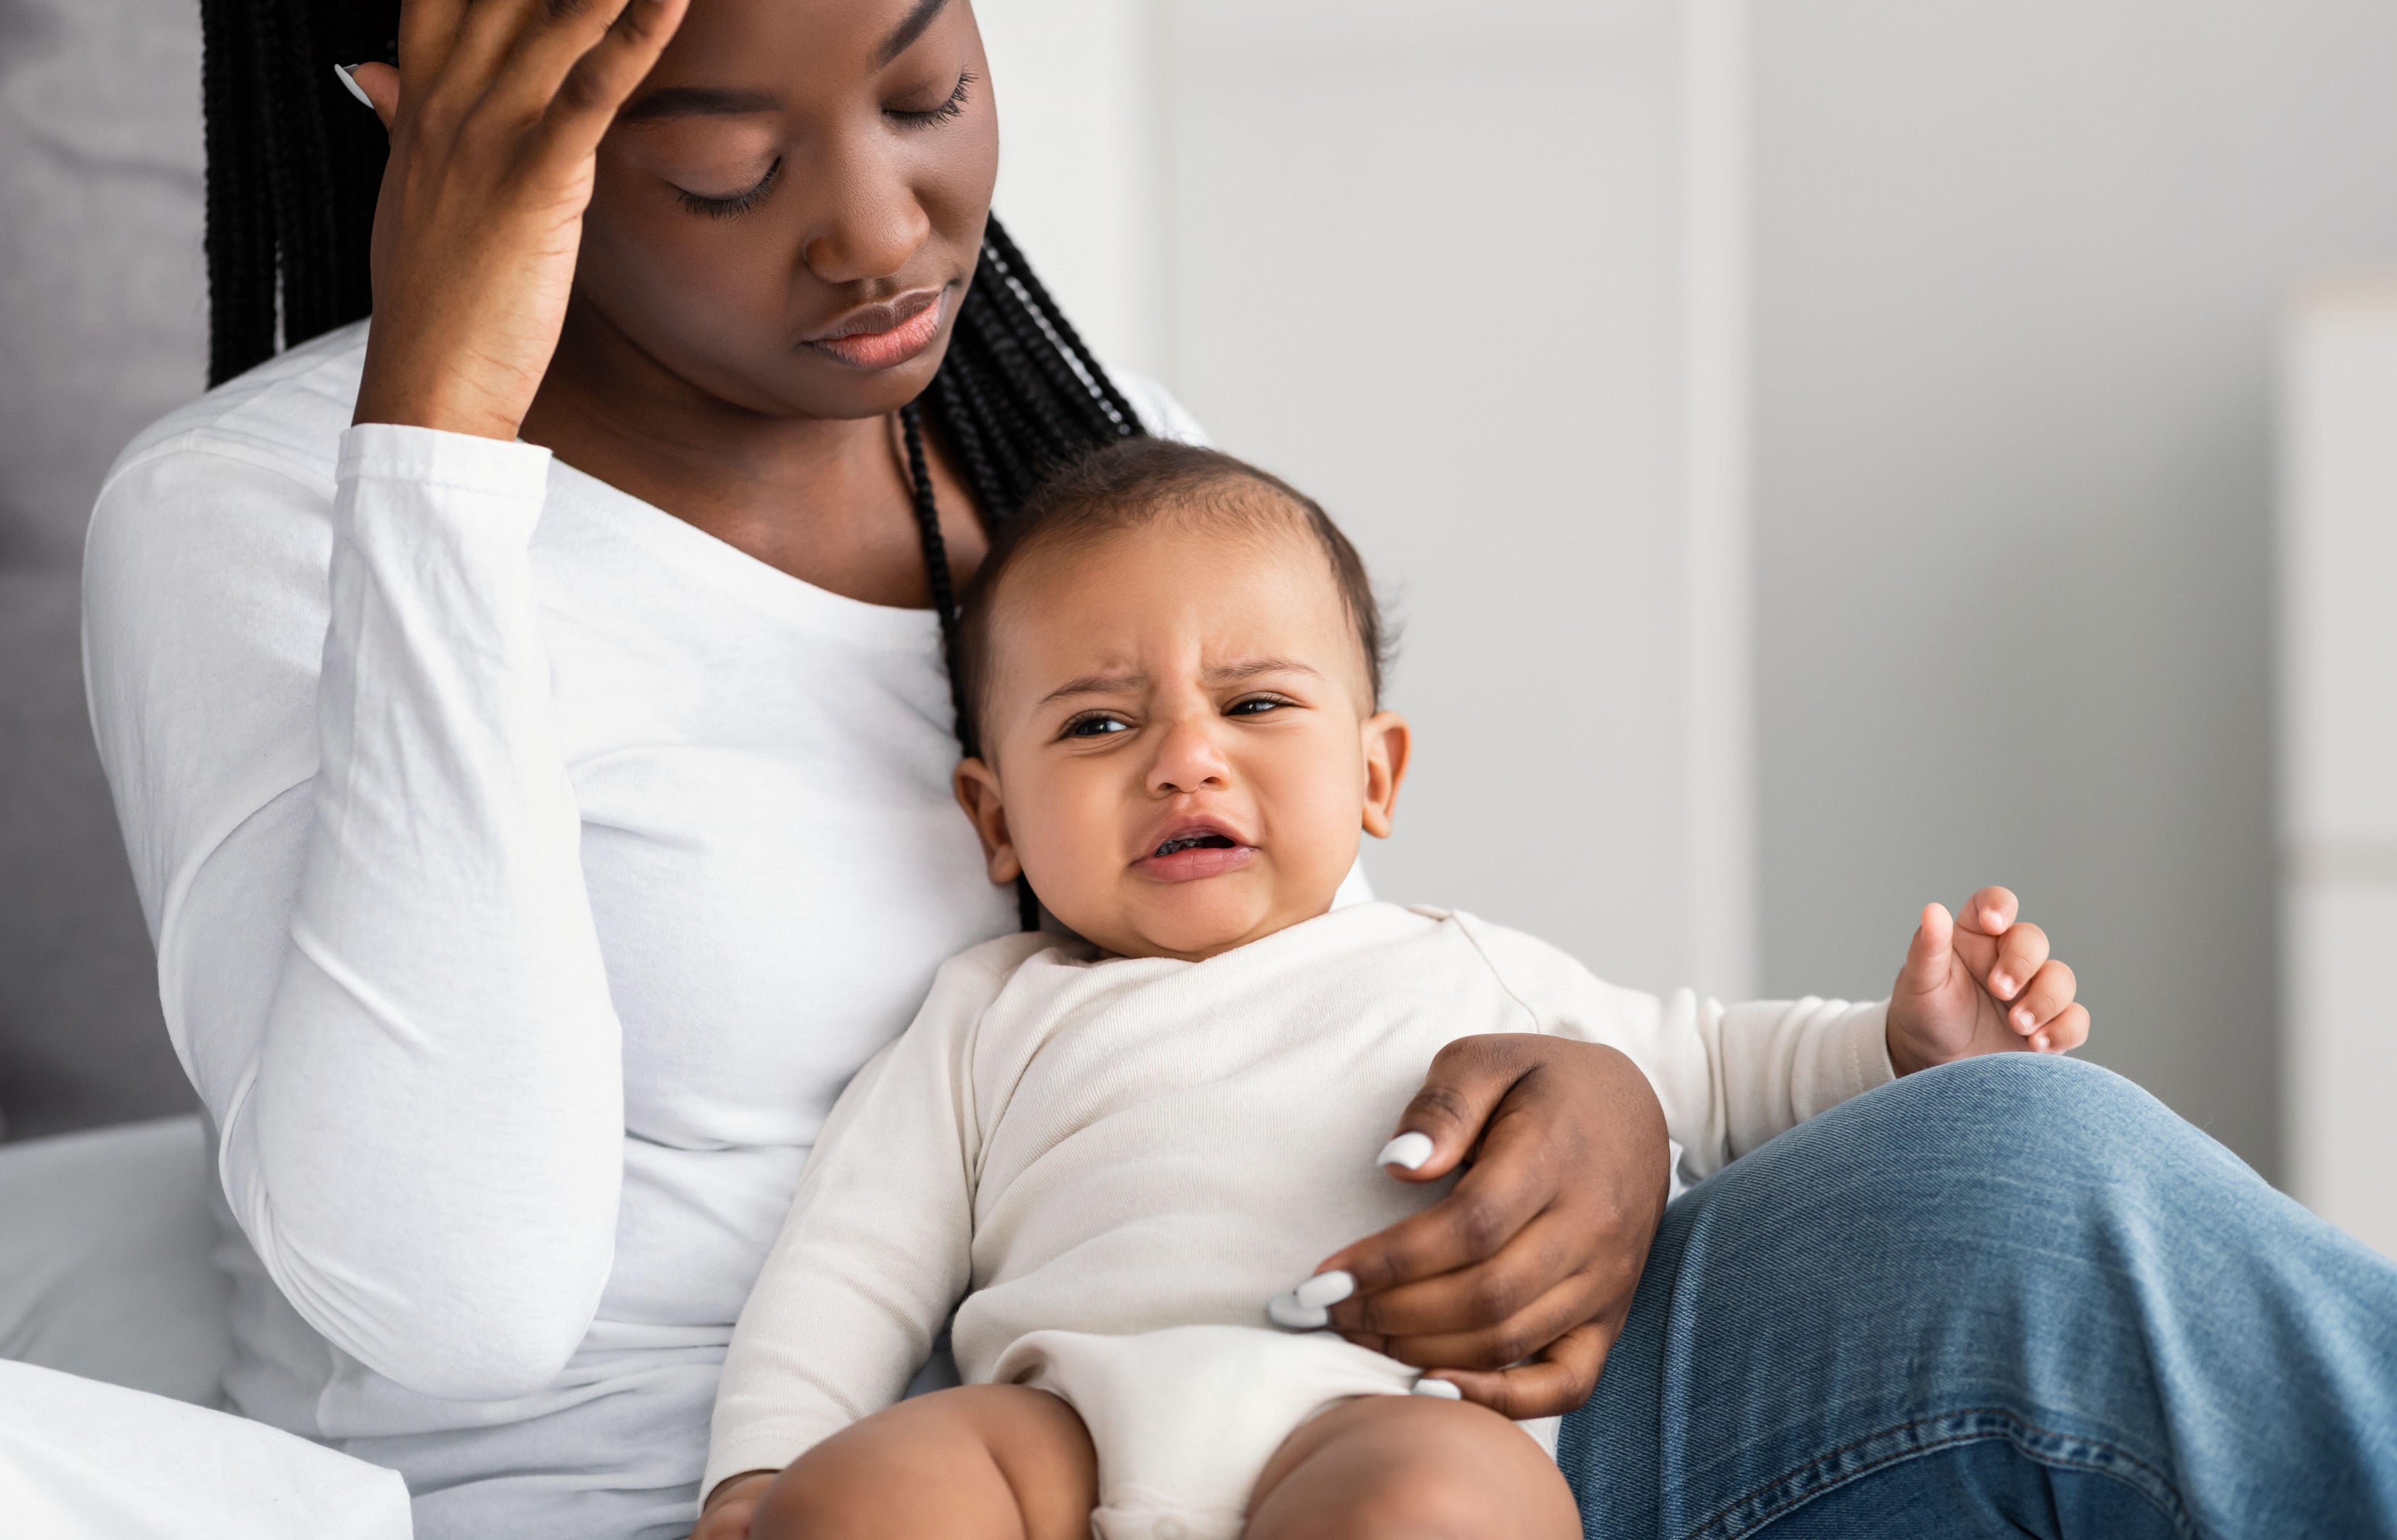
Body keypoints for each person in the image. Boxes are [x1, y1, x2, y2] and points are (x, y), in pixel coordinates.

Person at [78, 0, 2397, 1536]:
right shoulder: (270, 520)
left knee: (2023, 1163)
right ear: (431, 116)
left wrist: (1597, 1112)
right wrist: (447, 442)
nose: (886, 233)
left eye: (923, 82)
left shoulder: (1054, 438)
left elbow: (1308, 963)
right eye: (717, 167)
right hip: (843, 1490)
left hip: (1348, 1427)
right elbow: (446, 1290)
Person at [691, 439, 2082, 1540]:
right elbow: (851, 1261)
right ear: (995, 822)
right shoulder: (988, 1016)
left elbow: (1715, 1071)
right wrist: (758, 1472)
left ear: (1375, 774)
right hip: (1062, 1428)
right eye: (1100, 723)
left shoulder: (1457, 968)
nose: (1185, 761)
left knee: (1436, 1511)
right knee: (862, 1504)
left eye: (1255, 705)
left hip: (1376, 1413)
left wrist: (1905, 1047)